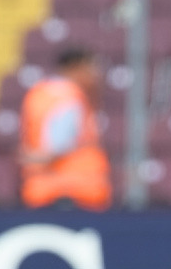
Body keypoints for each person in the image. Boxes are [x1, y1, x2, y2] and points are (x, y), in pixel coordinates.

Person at [19, 47, 112, 210]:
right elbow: (58, 142)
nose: (95, 74)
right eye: (91, 67)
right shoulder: (69, 96)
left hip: (43, 188)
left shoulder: (39, 93)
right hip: (72, 192)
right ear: (75, 67)